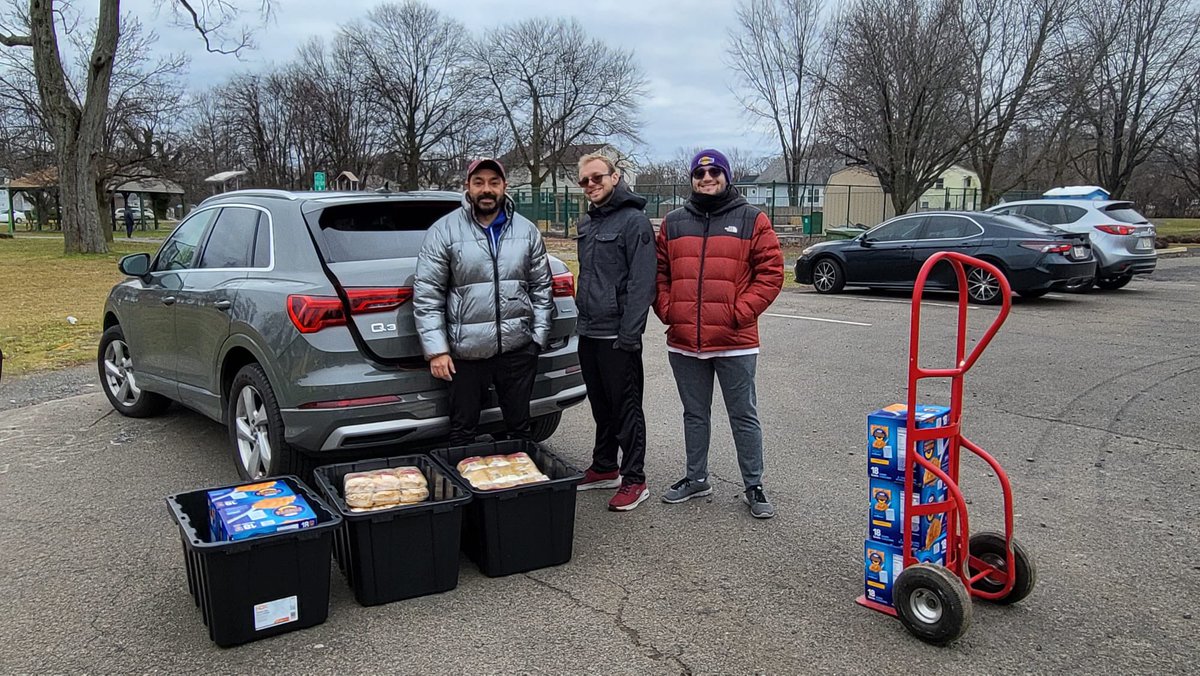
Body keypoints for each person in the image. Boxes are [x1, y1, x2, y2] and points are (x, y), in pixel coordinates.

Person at [654, 149, 784, 519]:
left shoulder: (752, 220)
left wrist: (739, 312)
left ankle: (753, 485)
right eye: (699, 172)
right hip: (684, 342)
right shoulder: (674, 222)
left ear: (726, 175)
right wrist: (669, 310)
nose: (706, 178)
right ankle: (696, 479)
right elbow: (659, 273)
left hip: (734, 342)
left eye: (714, 171)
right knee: (694, 414)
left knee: (743, 414)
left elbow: (771, 274)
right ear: (692, 179)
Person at [413, 158, 553, 445]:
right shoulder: (444, 231)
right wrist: (437, 351)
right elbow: (428, 294)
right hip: (466, 353)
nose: (486, 189)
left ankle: (520, 489)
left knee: (519, 430)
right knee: (463, 432)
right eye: (479, 183)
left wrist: (537, 337)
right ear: (468, 187)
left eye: (493, 182)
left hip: (517, 349)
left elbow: (541, 287)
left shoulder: (526, 231)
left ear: (504, 186)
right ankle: (467, 488)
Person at [572, 153, 656, 512]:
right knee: (600, 405)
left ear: (615, 177)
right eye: (585, 181)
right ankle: (605, 465)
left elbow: (642, 283)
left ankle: (635, 478)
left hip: (617, 336)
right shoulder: (589, 224)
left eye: (597, 178)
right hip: (588, 331)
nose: (591, 185)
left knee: (626, 408)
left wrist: (629, 334)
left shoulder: (634, 222)